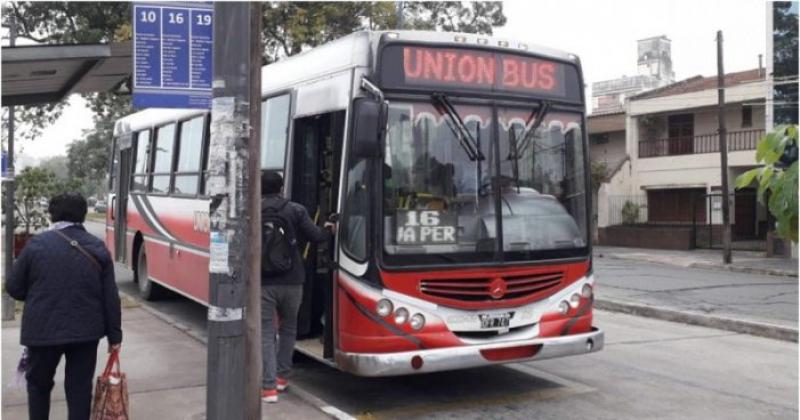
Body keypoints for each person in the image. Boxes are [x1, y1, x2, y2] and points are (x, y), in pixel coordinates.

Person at [7, 192, 122, 420]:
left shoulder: (35, 245)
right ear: (83, 214)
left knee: (39, 386)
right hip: (86, 332)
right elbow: (110, 296)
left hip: (42, 331)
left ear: (51, 214)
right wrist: (114, 336)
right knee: (79, 390)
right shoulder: (97, 247)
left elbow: (14, 287)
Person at [260, 171, 334, 403]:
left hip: (264, 283)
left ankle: (268, 388)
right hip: (293, 281)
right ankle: (282, 378)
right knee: (288, 328)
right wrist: (329, 227)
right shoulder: (296, 210)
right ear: (282, 187)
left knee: (266, 333)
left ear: (259, 188)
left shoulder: (252, 210)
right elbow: (316, 236)